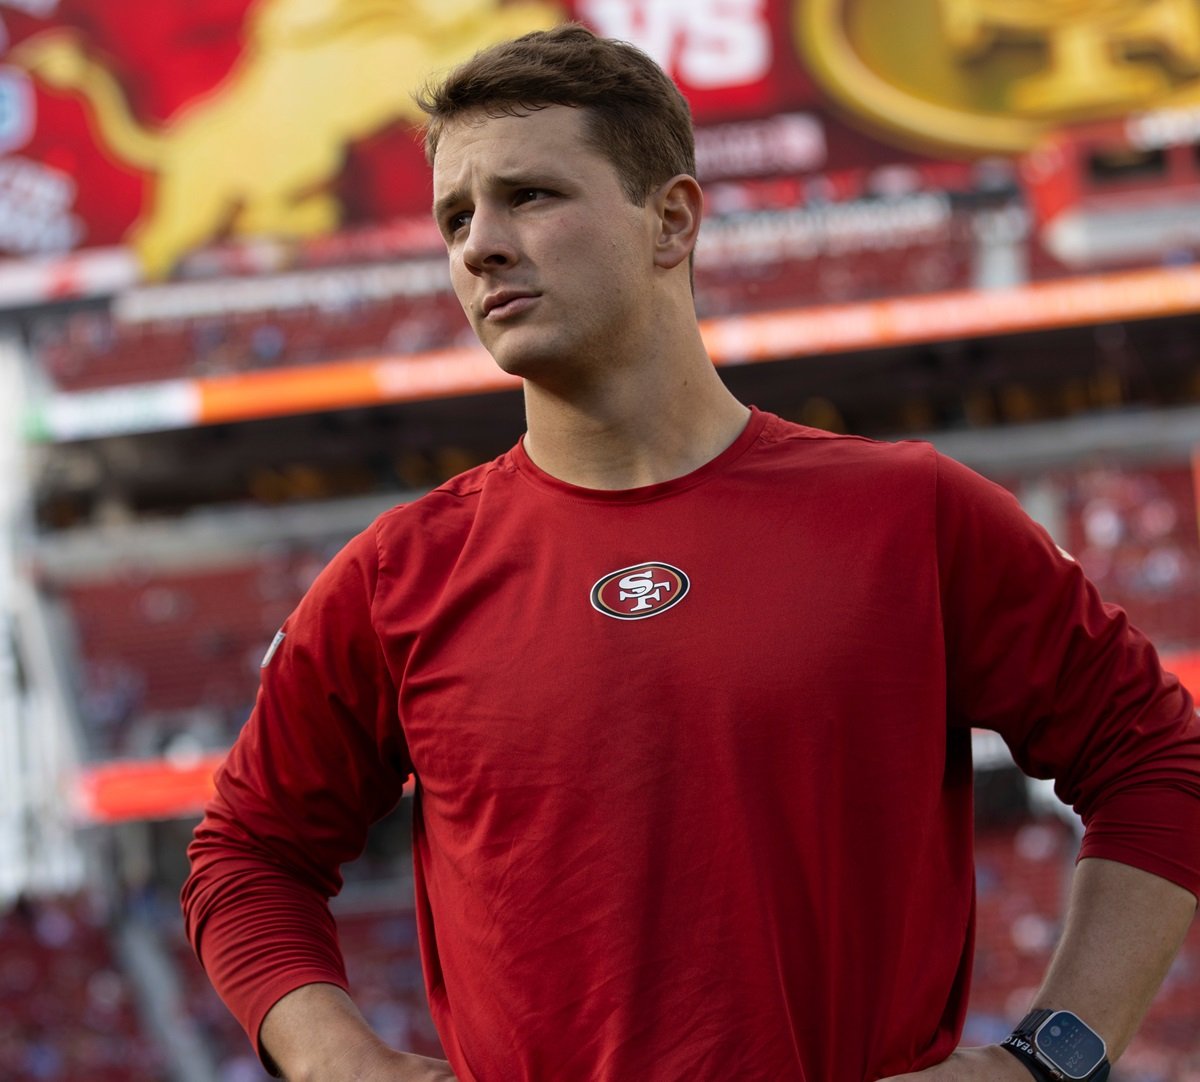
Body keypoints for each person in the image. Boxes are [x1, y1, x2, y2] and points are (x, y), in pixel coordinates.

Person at [182, 23, 1200, 1082]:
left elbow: (1156, 760)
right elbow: (246, 852)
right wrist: (337, 1058)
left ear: (671, 221)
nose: (478, 243)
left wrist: (1051, 1058)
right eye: (454, 215)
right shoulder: (397, 575)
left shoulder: (911, 515)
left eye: (530, 195)